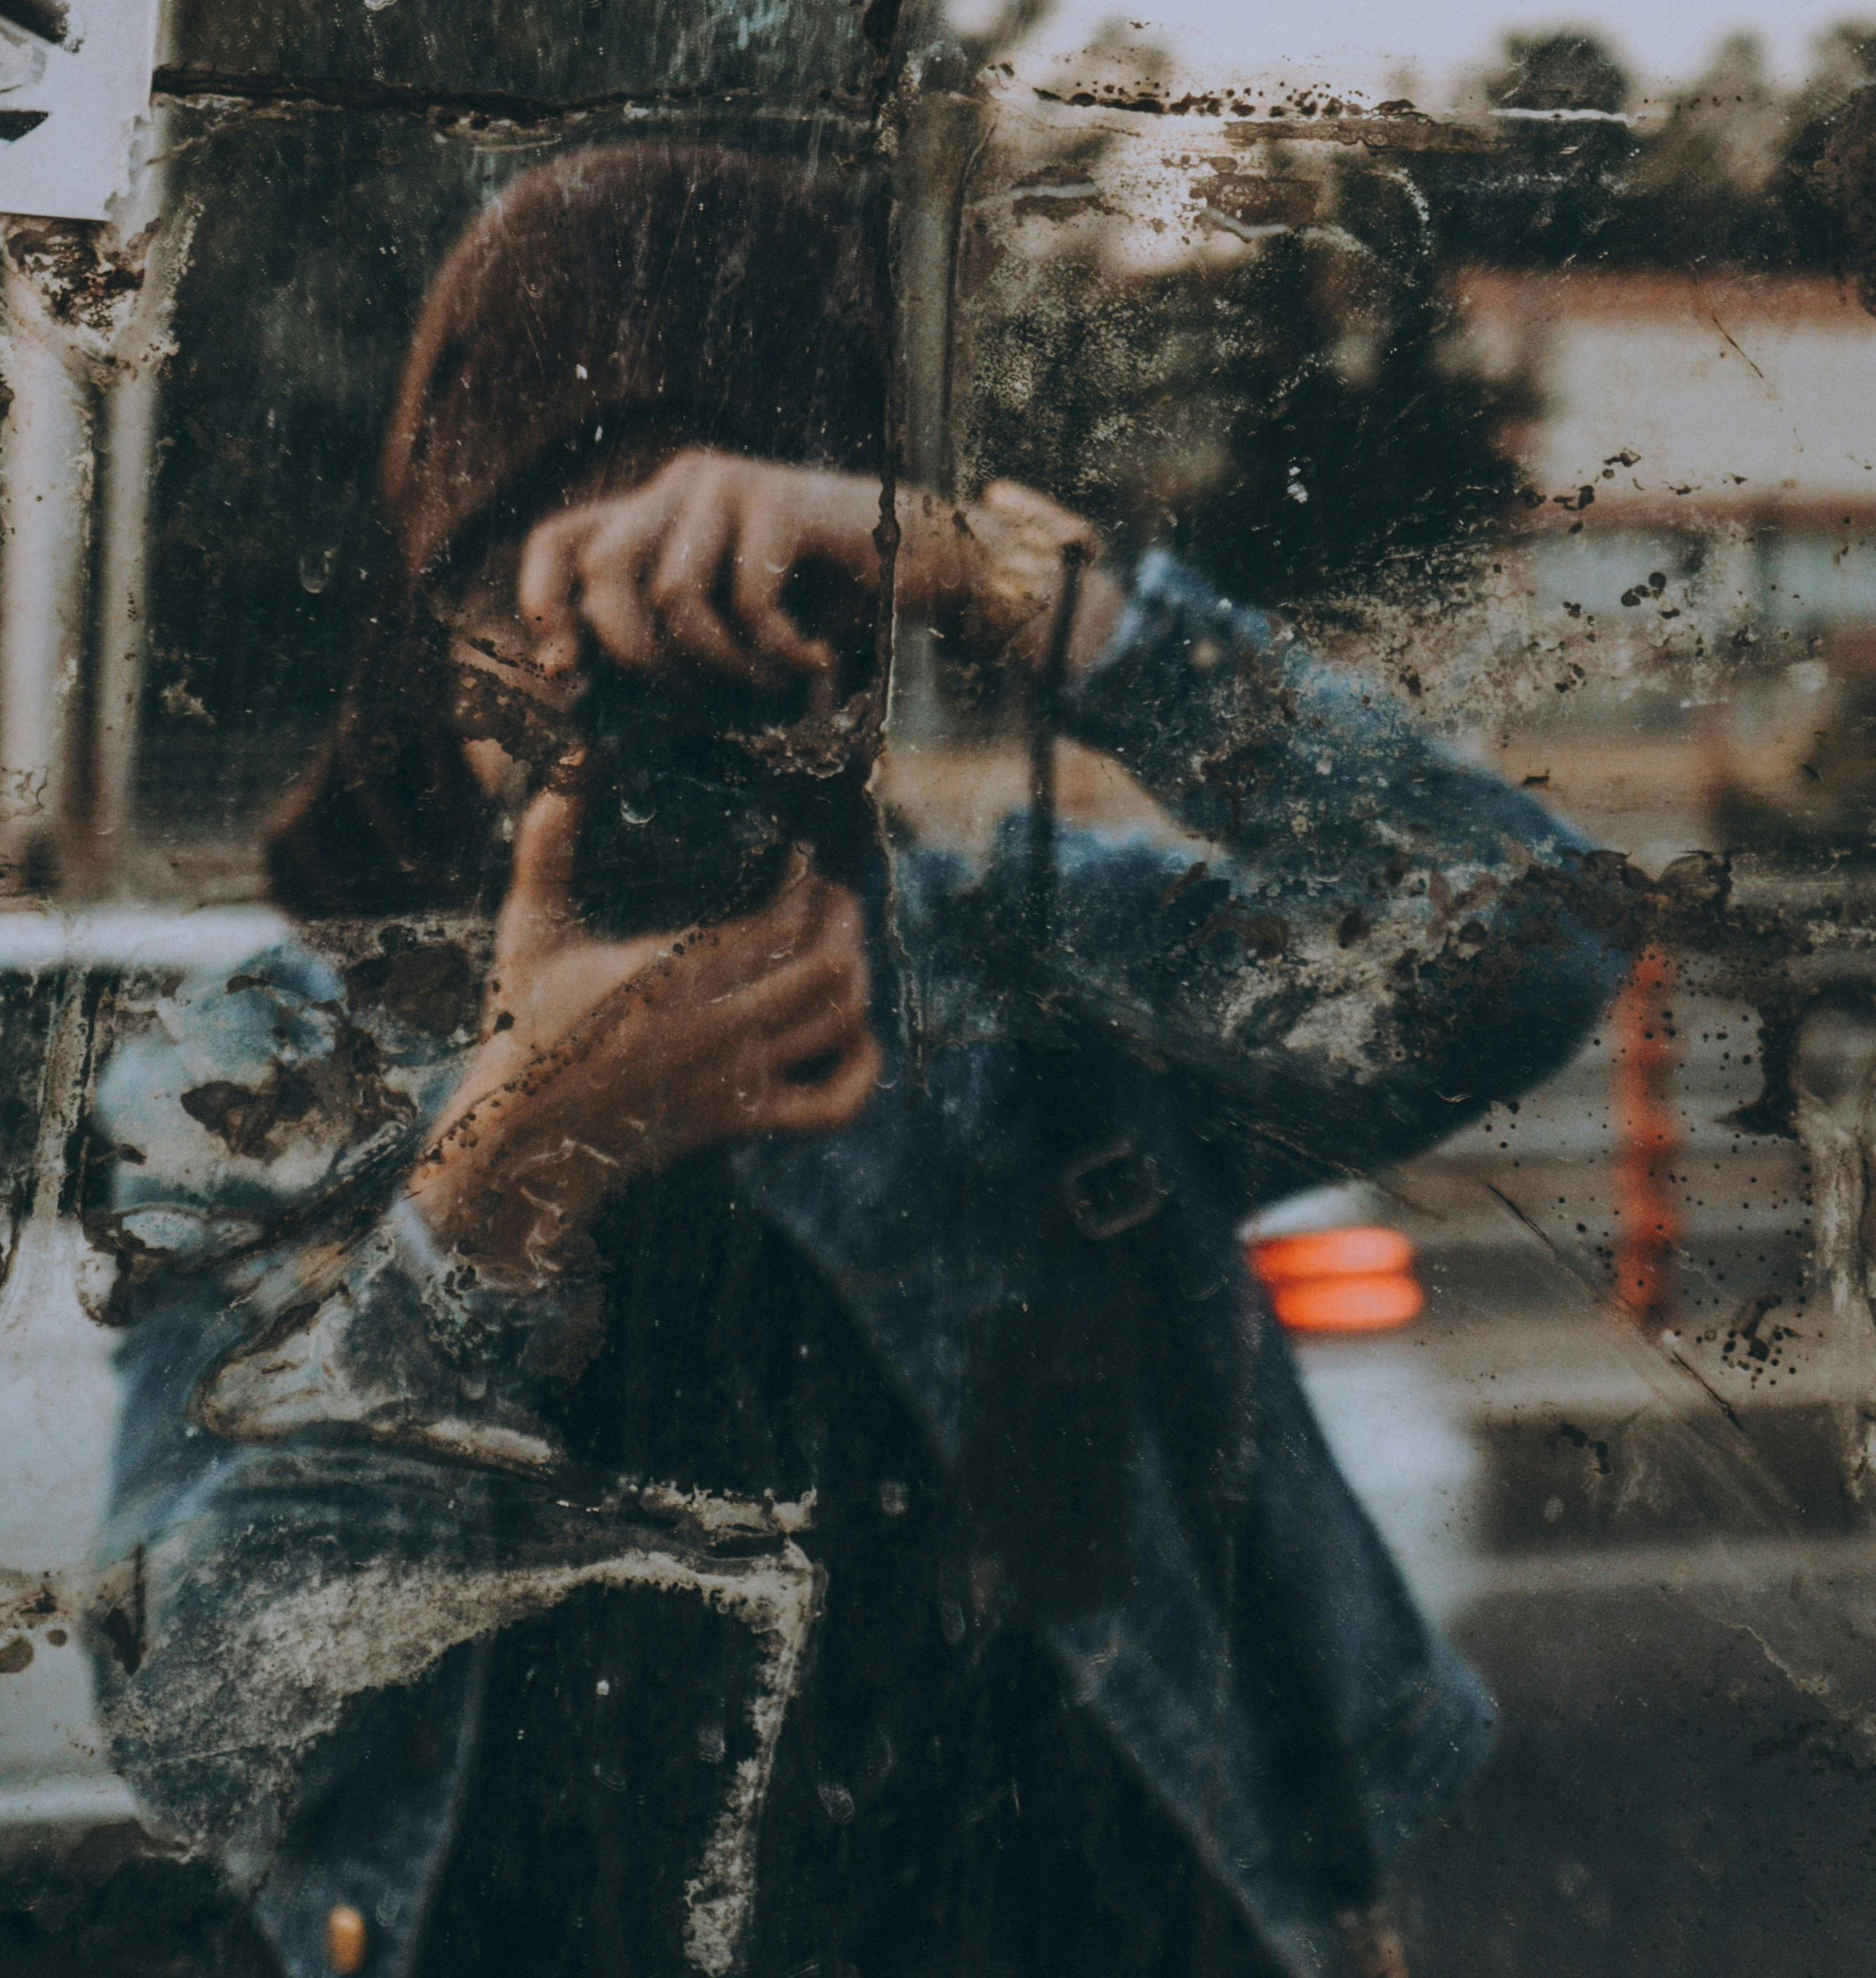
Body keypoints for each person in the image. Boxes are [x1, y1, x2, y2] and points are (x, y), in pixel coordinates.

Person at [89, 141, 1621, 1978]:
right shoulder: (265, 1064)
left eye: (743, 593)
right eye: (570, 605)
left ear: (851, 630)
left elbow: (1531, 932)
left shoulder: (1028, 972)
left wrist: (1003, 573)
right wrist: (489, 1197)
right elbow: (195, 1722)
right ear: (444, 621)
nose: (646, 688)